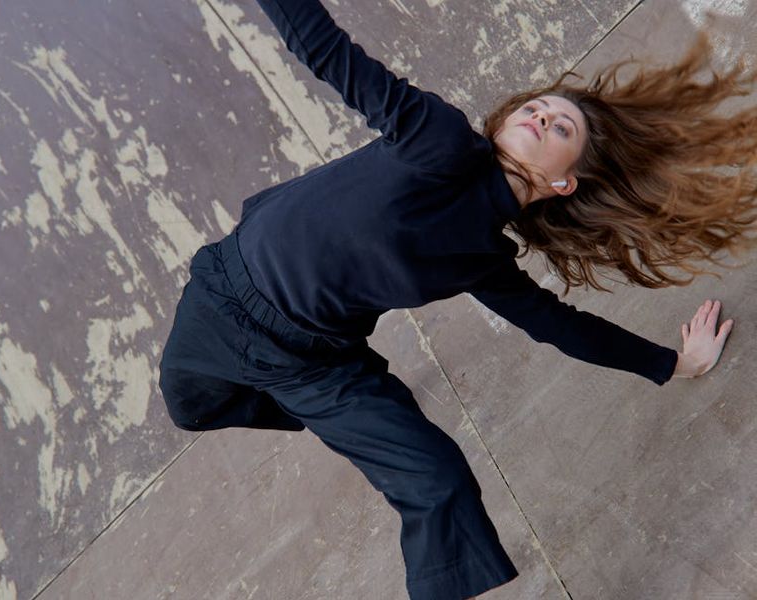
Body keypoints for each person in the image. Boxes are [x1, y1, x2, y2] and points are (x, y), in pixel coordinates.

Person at [158, 1, 757, 598]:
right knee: (190, 407)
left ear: (561, 181)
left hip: (312, 362)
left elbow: (562, 327)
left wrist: (676, 362)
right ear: (503, 122)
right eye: (537, 108)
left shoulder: (484, 259)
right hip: (225, 294)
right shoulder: (437, 137)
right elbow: (328, 53)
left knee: (438, 480)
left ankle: (355, 417)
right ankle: (341, 413)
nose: (542, 119)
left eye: (560, 129)